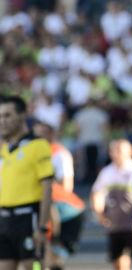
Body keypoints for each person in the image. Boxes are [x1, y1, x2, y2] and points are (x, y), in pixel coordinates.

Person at [0, 96, 54, 270]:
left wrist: (43, 227)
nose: (2, 121)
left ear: (22, 115)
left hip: (28, 217)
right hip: (4, 219)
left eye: (7, 116)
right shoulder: (4, 150)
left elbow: (47, 188)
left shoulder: (38, 146)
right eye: (0, 116)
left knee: (33, 266)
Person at [33, 120, 84, 270]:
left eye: (42, 133)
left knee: (50, 253)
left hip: (64, 210)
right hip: (45, 206)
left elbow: (66, 184)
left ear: (51, 134)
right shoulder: (33, 152)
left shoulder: (59, 153)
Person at [91, 139, 132, 270]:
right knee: (118, 259)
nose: (117, 153)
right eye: (114, 150)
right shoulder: (107, 172)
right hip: (115, 223)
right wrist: (100, 213)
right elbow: (97, 193)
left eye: (120, 150)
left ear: (130, 151)